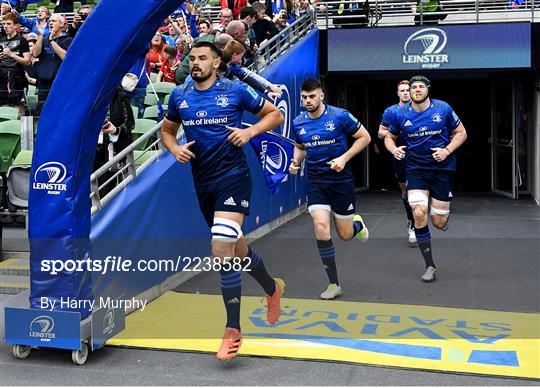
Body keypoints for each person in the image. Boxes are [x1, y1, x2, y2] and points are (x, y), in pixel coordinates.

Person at [161, 41, 285, 360]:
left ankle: (233, 330)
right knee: (237, 249)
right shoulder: (180, 95)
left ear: (217, 62)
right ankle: (272, 289)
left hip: (234, 177)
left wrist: (250, 132)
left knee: (220, 250)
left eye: (203, 58)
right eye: (193, 58)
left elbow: (275, 115)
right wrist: (174, 149)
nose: (196, 62)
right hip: (204, 183)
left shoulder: (235, 91)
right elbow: (167, 132)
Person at [289, 79, 371, 300]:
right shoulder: (298, 122)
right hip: (316, 183)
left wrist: (343, 159)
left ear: (321, 95)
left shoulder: (339, 116)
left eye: (312, 97)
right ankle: (333, 283)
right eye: (304, 97)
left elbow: (365, 137)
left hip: (340, 181)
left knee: (344, 234)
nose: (307, 101)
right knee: (321, 228)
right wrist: (296, 162)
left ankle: (357, 224)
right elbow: (300, 147)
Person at [385, 75, 467, 282]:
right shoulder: (400, 113)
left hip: (441, 169)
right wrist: (393, 149)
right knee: (419, 212)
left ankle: (441, 216)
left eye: (421, 87)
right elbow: (388, 137)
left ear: (428, 89)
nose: (417, 90)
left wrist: (447, 150)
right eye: (414, 87)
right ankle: (430, 265)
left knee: (438, 222)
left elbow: (461, 133)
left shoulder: (443, 108)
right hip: (416, 169)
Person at [378, 80, 416, 246]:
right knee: (406, 191)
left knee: (416, 190)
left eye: (408, 90)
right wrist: (395, 133)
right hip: (399, 154)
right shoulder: (391, 111)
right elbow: (380, 133)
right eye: (402, 90)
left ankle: (415, 227)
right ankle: (410, 218)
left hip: (418, 155)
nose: (406, 93)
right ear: (398, 93)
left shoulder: (420, 109)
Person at [32, 13, 73, 109]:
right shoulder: (44, 39)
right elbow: (35, 53)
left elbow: (65, 57)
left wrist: (52, 41)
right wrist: (41, 36)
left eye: (53, 21)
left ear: (62, 25)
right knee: (43, 108)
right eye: (49, 21)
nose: (50, 23)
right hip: (43, 81)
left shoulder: (68, 40)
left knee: (58, 108)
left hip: (59, 81)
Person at [0, 11, 31, 112]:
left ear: (16, 25)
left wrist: (11, 55)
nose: (5, 26)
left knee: (18, 105)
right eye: (3, 24)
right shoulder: (1, 40)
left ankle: (19, 127)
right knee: (3, 105)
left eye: (8, 24)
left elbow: (28, 61)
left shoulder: (22, 40)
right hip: (2, 76)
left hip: (17, 77)